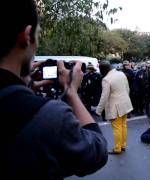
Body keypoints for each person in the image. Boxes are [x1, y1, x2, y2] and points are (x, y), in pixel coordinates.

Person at [0, 1, 108, 179]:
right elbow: (96, 152)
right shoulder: (46, 116)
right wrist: (71, 91)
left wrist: (20, 88)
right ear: (26, 36)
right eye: (38, 34)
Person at [96, 61, 133, 154]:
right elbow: (127, 88)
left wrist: (99, 110)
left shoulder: (106, 79)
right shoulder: (121, 73)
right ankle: (123, 145)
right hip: (125, 103)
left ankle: (117, 148)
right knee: (123, 125)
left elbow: (104, 96)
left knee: (117, 128)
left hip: (115, 107)